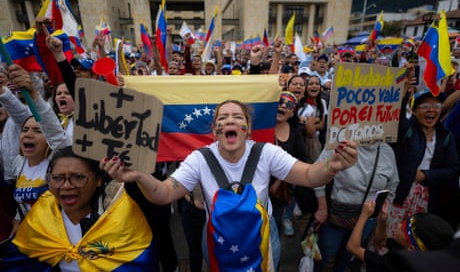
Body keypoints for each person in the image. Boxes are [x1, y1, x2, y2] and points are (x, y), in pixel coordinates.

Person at [100, 99, 358, 269]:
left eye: (237, 116)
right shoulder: (200, 158)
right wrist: (140, 176)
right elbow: (164, 193)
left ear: (247, 128)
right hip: (217, 237)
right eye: (223, 118)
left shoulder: (266, 152)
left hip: (263, 238)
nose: (230, 120)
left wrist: (331, 167)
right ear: (215, 130)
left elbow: (309, 176)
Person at [1, 146, 159, 271]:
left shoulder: (123, 215)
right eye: (57, 178)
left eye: (78, 177)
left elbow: (140, 263)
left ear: (98, 180)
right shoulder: (41, 213)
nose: (66, 186)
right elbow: (19, 263)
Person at [0, 64, 72, 231]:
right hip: (31, 239)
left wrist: (32, 93)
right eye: (24, 130)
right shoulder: (19, 163)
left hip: (60, 237)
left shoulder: (56, 159)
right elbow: (21, 210)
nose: (28, 135)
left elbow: (53, 131)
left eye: (37, 131)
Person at [313, 142, 400, 272]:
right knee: (323, 252)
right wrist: (322, 207)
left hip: (367, 219)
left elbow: (393, 184)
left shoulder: (386, 151)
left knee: (347, 254)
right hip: (337, 214)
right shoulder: (341, 143)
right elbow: (317, 172)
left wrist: (383, 208)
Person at [389, 88, 460, 235]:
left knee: (416, 236)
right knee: (392, 234)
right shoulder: (407, 131)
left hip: (429, 198)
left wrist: (426, 175)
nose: (432, 110)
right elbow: (398, 119)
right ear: (414, 111)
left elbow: (453, 169)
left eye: (437, 106)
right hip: (400, 193)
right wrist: (403, 96)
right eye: (426, 106)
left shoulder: (445, 136)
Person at [347, 200, 454, 272]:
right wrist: (382, 221)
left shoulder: (391, 264)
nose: (398, 225)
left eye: (403, 228)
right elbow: (380, 240)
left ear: (411, 248)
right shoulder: (406, 250)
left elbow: (353, 247)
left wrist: (364, 215)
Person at [269, 92, 307, 238]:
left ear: (292, 113)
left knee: (274, 223)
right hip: (257, 185)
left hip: (279, 190)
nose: (284, 106)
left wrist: (280, 179)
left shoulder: (295, 133)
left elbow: (300, 159)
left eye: (289, 105)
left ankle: (273, 257)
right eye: (280, 102)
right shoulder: (261, 128)